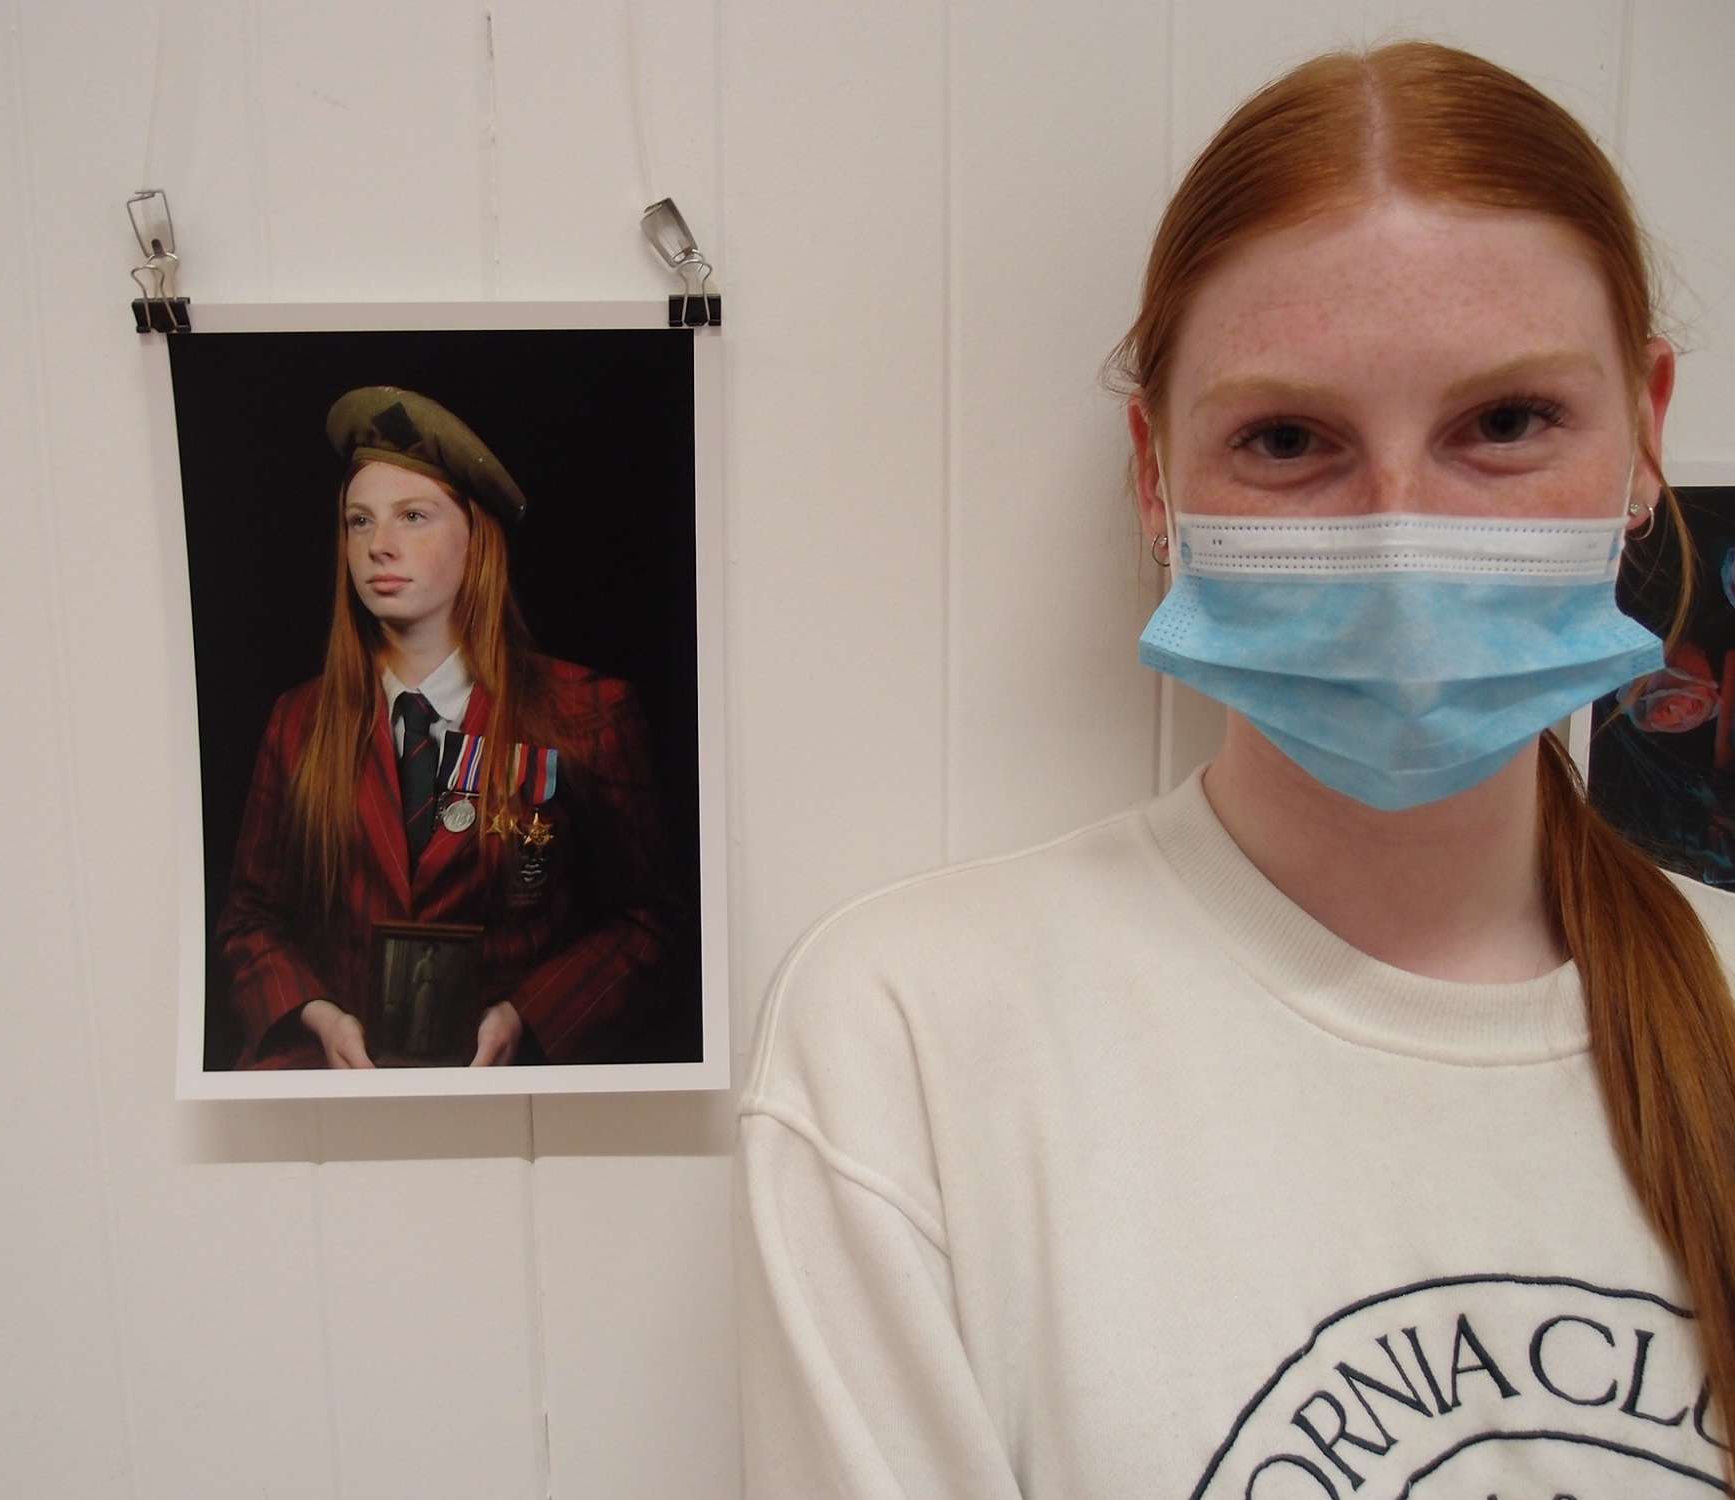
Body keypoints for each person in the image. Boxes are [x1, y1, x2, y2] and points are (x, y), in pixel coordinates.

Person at [735, 41, 1735, 1497]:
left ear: (1645, 433)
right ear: (1157, 475)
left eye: (1506, 424)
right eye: (1285, 438)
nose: (1400, 536)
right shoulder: (918, 1040)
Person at [216, 386, 672, 1069]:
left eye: (413, 516)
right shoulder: (299, 720)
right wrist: (318, 1015)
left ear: (475, 538)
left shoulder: (587, 711)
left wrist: (526, 1016)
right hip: (340, 1083)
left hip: (514, 1088)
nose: (380, 546)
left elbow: (648, 921)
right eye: (360, 521)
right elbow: (250, 919)